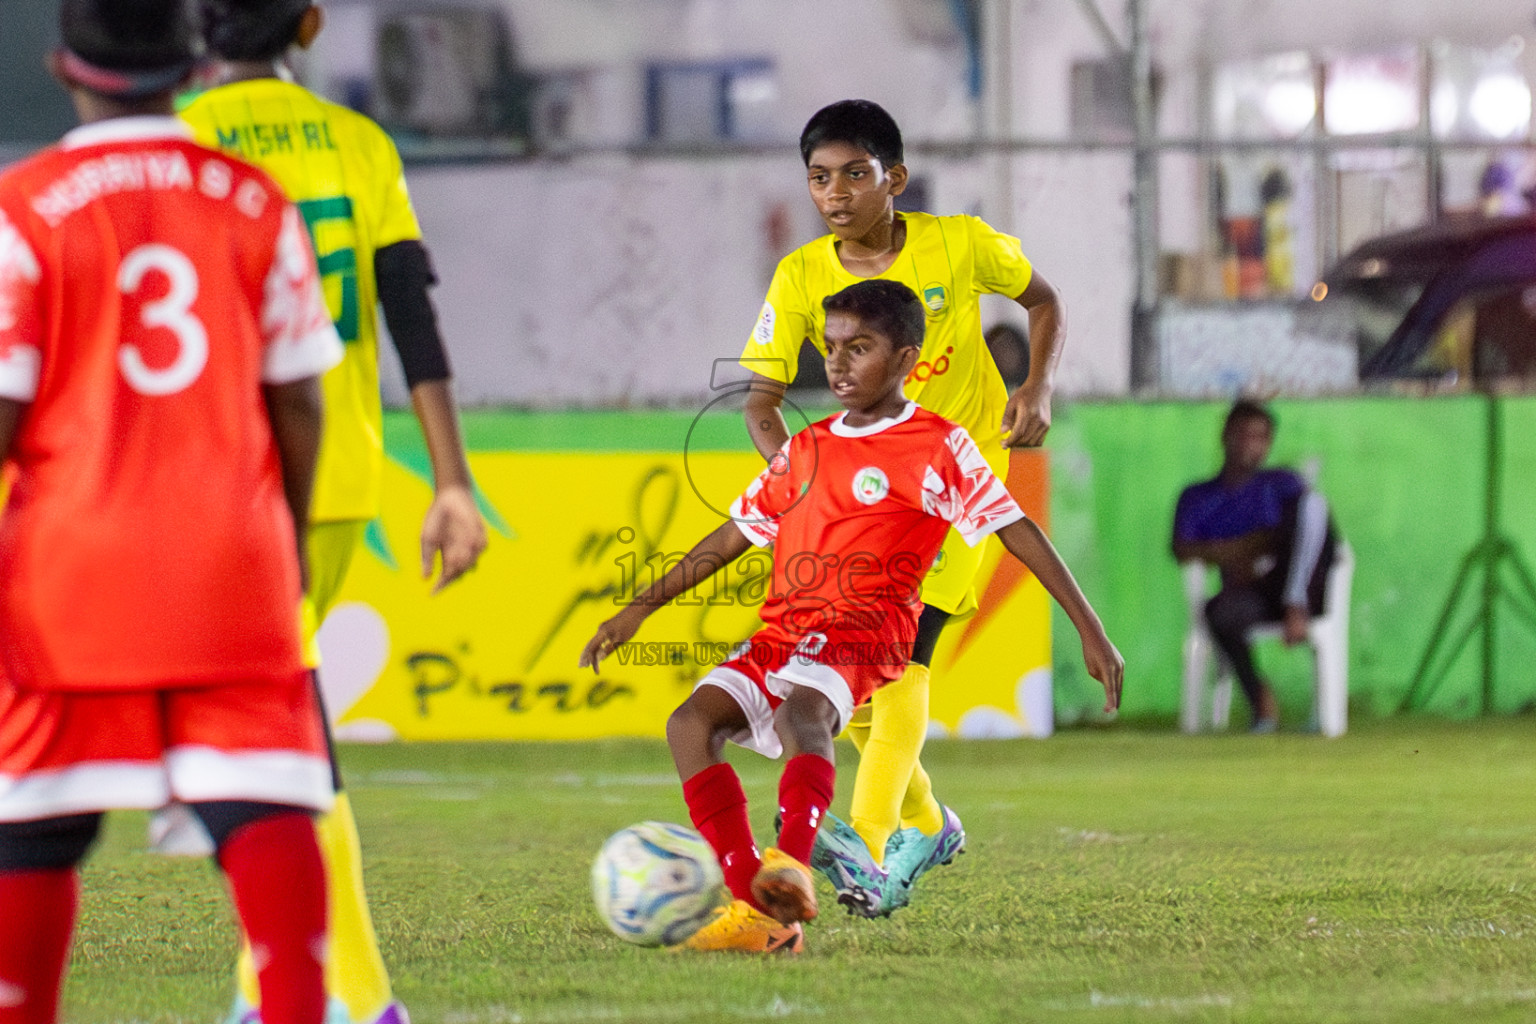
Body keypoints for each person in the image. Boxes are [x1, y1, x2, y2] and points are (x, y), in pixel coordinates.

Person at [582, 280, 1121, 952]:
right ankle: (755, 900)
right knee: (690, 724)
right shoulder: (806, 450)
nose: (838, 363)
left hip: (867, 631)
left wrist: (1090, 629)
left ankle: (792, 866)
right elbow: (729, 539)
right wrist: (636, 611)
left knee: (801, 715)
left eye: (858, 348)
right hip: (787, 629)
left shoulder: (938, 446)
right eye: (830, 347)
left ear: (905, 360)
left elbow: (1016, 530)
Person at [0, 1, 345, 1021]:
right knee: (265, 797)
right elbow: (298, 396)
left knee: (32, 821)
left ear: (65, 63)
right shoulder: (252, 197)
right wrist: (279, 530)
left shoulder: (26, 204)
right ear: (191, 63)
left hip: (69, 562)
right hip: (228, 555)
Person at [179, 4, 488, 1022]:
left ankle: (349, 993)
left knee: (275, 742)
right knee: (276, 734)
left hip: (213, 488)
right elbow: (411, 308)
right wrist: (451, 480)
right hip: (337, 477)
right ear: (309, 24)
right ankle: (273, 987)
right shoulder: (360, 143)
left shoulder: (181, 137)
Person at [737, 99, 1069, 915]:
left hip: (960, 485)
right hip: (867, 503)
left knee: (905, 660)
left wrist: (1037, 383)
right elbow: (761, 401)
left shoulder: (957, 242)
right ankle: (932, 823)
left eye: (856, 173)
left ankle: (871, 851)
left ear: (896, 178)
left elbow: (1044, 300)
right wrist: (807, 483)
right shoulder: (801, 276)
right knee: (853, 694)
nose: (837, 192)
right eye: (819, 178)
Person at [1172, 399, 1338, 733]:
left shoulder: (1282, 485)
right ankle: (1260, 700)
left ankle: (1297, 603)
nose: (1251, 444)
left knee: (1313, 507)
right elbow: (1182, 548)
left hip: (1296, 582)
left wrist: (1259, 548)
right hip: (1250, 595)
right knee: (1218, 613)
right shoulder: (1198, 497)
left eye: (1261, 436)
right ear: (1226, 436)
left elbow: (1307, 526)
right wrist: (1241, 552)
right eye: (1244, 434)